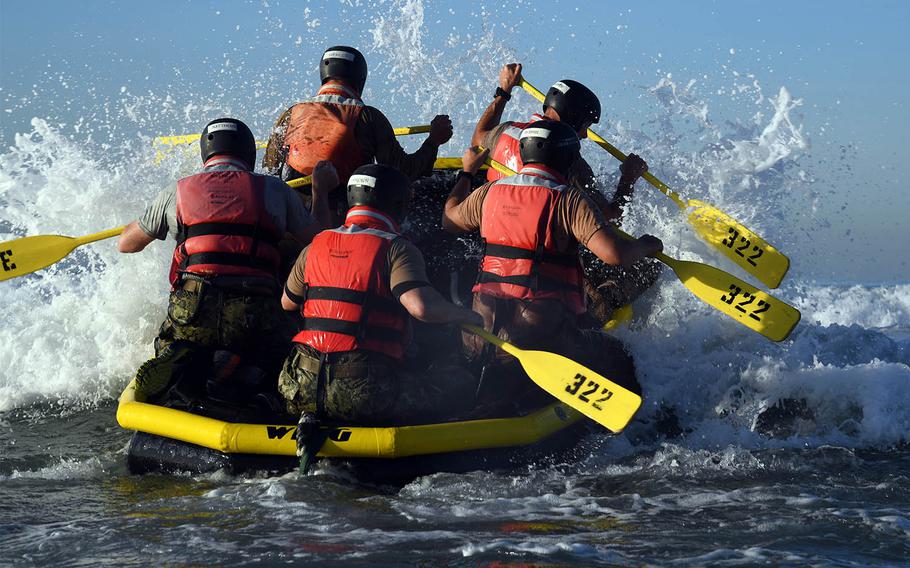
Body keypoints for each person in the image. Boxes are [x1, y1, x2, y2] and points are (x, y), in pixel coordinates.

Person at [443, 120, 664, 413]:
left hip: (479, 336)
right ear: (568, 159)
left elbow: (448, 220)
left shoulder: (489, 192)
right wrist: (647, 245)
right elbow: (615, 255)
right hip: (539, 337)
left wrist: (467, 172)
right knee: (619, 354)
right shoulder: (567, 199)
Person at [118, 117, 331, 401]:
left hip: (193, 307)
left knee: (188, 335)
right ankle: (238, 374)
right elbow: (321, 240)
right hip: (253, 308)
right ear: (248, 152)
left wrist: (148, 219)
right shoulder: (275, 190)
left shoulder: (177, 191)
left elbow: (126, 244)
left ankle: (182, 353)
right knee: (276, 348)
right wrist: (321, 190)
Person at [278, 163, 483, 427]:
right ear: (395, 203)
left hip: (299, 387)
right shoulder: (396, 248)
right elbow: (421, 307)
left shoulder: (316, 243)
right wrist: (467, 315)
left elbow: (287, 302)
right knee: (459, 381)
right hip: (363, 394)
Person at [471, 63, 660, 322]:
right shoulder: (568, 161)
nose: (584, 135)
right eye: (584, 126)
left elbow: (477, 139)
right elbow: (610, 220)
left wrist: (503, 91)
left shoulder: (506, 132)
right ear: (572, 118)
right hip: (543, 268)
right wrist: (628, 179)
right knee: (647, 266)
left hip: (493, 254)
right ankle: (597, 314)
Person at [262, 45, 454, 221]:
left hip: (292, 221)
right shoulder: (368, 117)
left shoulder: (291, 114)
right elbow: (403, 172)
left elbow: (269, 169)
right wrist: (434, 141)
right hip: (340, 222)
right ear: (360, 81)